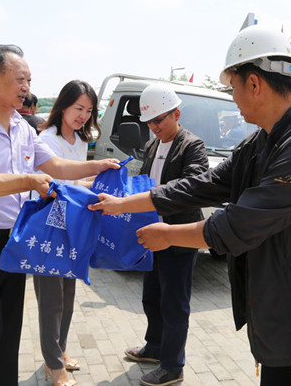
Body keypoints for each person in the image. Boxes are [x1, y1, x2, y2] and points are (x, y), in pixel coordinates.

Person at [90, 26, 291, 386]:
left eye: (233, 88)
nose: (234, 98)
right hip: (288, 325)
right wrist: (123, 204)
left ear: (254, 83)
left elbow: (239, 224)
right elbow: (205, 184)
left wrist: (169, 235)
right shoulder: (263, 142)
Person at [0, 44, 119, 386]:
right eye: (20, 79)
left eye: (29, 80)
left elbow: (55, 165)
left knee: (7, 338)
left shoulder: (21, 127)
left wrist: (97, 165)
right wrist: (27, 180)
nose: (26, 87)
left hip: (13, 244)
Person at [122, 83, 209, 386]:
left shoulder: (192, 146)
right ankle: (155, 347)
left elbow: (192, 186)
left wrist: (152, 194)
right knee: (152, 296)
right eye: (149, 122)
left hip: (178, 235)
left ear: (176, 114)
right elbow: (143, 180)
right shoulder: (151, 145)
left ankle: (172, 366)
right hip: (152, 235)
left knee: (174, 303)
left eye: (159, 120)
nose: (154, 127)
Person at [34, 80, 101, 386]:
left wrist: (98, 181)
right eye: (78, 108)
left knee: (68, 295)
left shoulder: (81, 140)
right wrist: (93, 178)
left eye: (88, 111)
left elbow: (76, 183)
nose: (83, 116)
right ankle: (52, 363)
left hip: (73, 226)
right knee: (51, 300)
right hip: (49, 227)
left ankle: (59, 350)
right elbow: (57, 183)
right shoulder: (47, 139)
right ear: (62, 106)